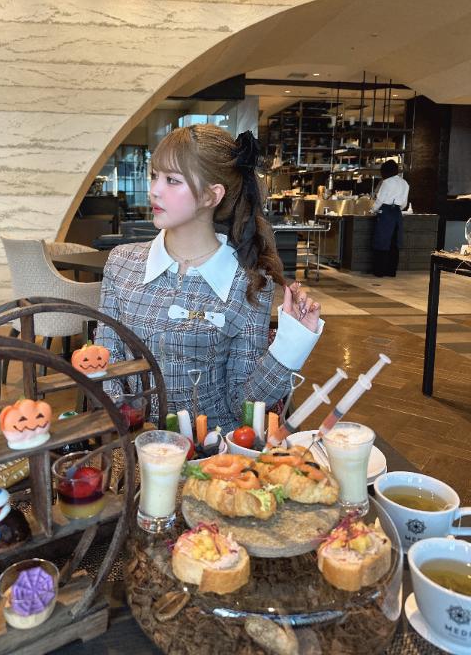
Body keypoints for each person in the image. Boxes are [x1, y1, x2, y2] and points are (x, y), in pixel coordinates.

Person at [96, 124, 324, 433]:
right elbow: (105, 363)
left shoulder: (249, 281)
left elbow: (244, 403)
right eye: (154, 176)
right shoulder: (122, 263)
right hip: (140, 446)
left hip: (217, 452)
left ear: (211, 195)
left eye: (172, 180)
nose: (154, 190)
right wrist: (125, 429)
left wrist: (291, 344)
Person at [370, 160, 410, 278]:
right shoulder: (405, 183)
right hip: (397, 213)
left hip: (386, 212)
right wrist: (397, 209)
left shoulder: (386, 182)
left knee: (382, 241)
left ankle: (379, 271)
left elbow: (380, 200)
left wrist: (373, 210)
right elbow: (404, 203)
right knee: (394, 242)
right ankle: (391, 271)